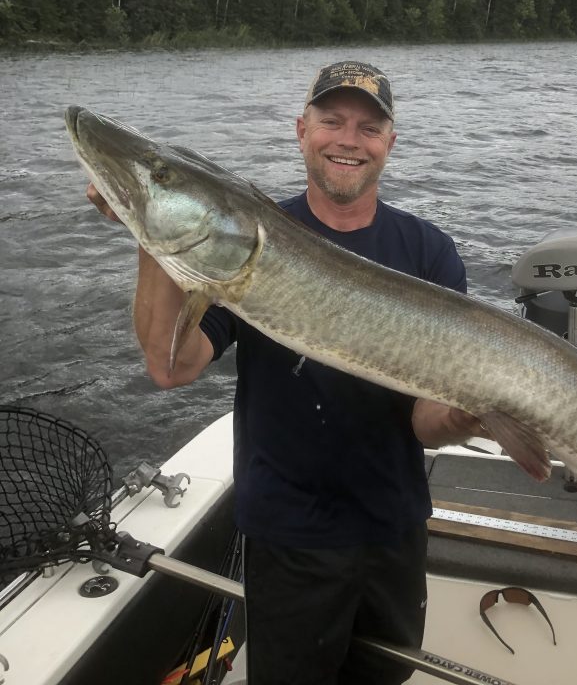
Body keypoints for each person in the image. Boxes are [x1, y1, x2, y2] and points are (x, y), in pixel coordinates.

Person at [87, 60, 486, 684]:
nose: (348, 140)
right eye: (332, 121)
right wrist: (149, 228)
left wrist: (473, 408)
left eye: (368, 127)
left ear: (389, 144)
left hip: (393, 527)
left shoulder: (427, 252)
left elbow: (427, 424)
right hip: (290, 533)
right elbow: (172, 367)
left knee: (384, 676)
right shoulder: (241, 236)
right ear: (302, 130)